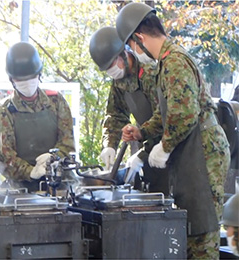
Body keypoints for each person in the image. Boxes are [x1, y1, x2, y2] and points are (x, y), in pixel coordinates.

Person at [116, 3, 230, 259]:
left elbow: (184, 115)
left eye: (131, 46)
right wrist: (142, 132)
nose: (133, 52)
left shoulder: (174, 62)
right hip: (194, 152)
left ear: (139, 39)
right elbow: (167, 112)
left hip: (203, 152)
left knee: (202, 233)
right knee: (189, 232)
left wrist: (164, 147)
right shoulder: (166, 63)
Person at [0, 41, 75, 193]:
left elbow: (68, 144)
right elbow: (4, 157)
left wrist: (53, 158)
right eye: (20, 80)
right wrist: (31, 171)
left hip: (60, 186)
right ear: (12, 80)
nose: (27, 84)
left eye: (31, 78)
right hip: (22, 192)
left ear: (39, 75)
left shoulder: (56, 102)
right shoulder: (4, 111)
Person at [89, 26, 163, 186]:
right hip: (151, 152)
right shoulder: (119, 81)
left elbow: (164, 117)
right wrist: (109, 146)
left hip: (169, 148)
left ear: (123, 54)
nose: (111, 72)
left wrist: (142, 155)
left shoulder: (149, 72)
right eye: (106, 69)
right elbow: (115, 115)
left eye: (111, 65)